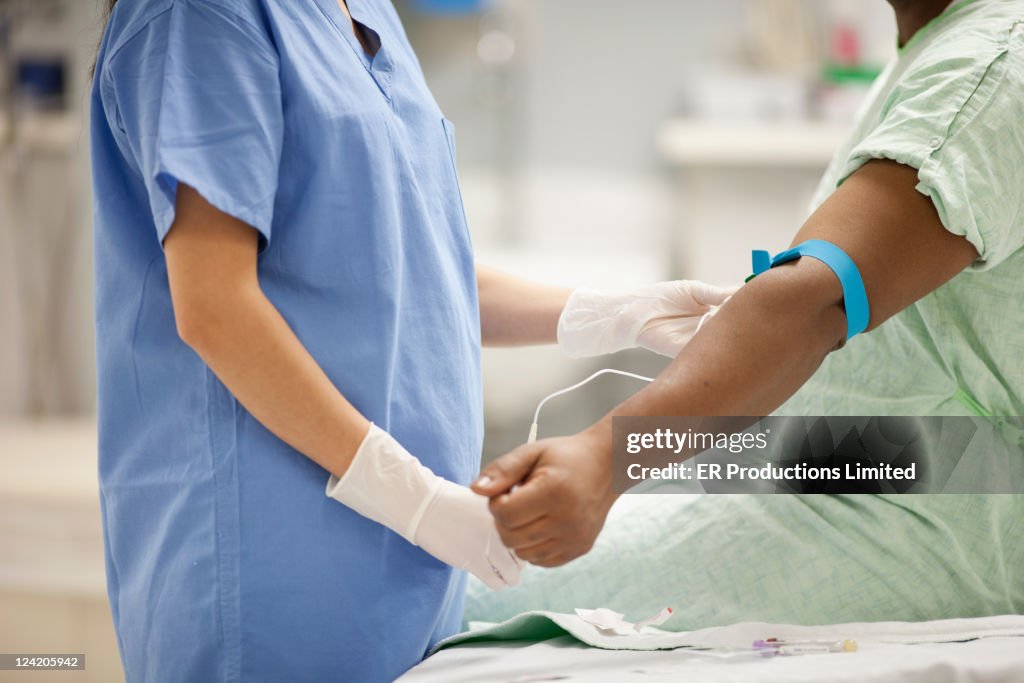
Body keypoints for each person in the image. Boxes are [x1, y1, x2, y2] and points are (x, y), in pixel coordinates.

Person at [89, 0, 731, 680]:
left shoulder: (361, 11)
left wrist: (610, 312)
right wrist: (414, 500)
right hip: (272, 566)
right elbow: (217, 306)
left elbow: (410, 269)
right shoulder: (201, 15)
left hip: (398, 572)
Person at [474, 0, 1024, 567]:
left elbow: (811, 302)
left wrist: (603, 458)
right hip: (844, 471)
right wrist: (606, 313)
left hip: (919, 516)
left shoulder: (990, 66)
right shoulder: (936, 45)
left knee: (480, 584)